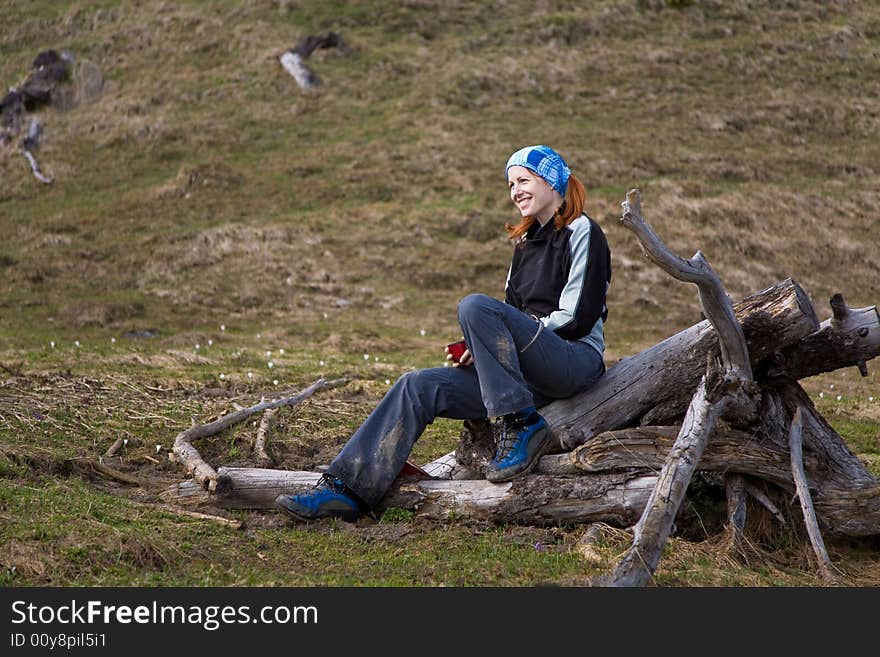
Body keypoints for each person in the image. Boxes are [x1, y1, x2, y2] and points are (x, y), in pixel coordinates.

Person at [275, 145, 611, 522]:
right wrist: (483, 349)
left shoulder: (583, 231)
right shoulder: (524, 245)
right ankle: (347, 489)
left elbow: (577, 317)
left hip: (573, 361)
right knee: (416, 385)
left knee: (474, 306)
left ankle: (522, 425)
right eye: (510, 184)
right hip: (529, 373)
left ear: (551, 181)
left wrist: (508, 336)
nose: (514, 191)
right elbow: (511, 314)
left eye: (523, 180)